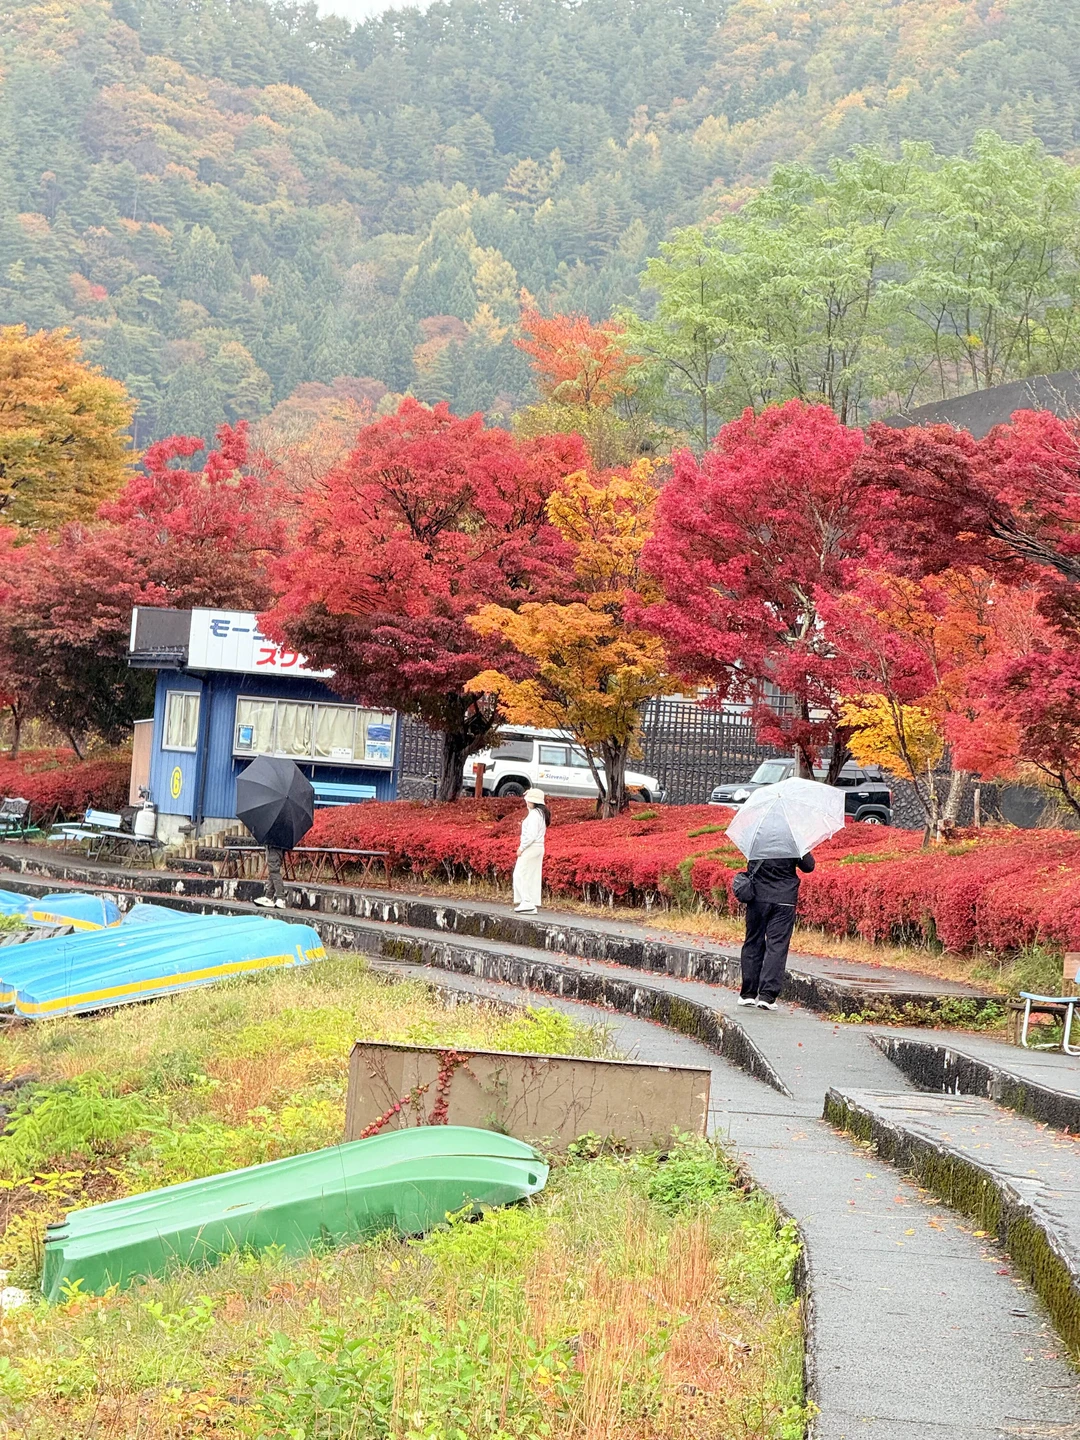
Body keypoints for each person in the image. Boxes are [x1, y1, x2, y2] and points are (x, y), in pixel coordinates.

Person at [738, 853, 816, 1010]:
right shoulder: (792, 841)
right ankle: (767, 996)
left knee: (753, 941)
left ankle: (748, 994)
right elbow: (809, 866)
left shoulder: (757, 838)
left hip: (757, 899)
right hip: (784, 900)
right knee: (777, 945)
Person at [512, 788, 549, 914]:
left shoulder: (534, 815)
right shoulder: (540, 813)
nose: (526, 802)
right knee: (531, 876)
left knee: (520, 874)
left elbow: (531, 835)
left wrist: (521, 848)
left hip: (531, 847)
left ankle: (526, 901)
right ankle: (530, 903)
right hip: (539, 847)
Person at [254, 845, 287, 909]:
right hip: (274, 849)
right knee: (272, 873)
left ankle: (281, 898)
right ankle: (269, 896)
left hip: (274, 849)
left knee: (274, 872)